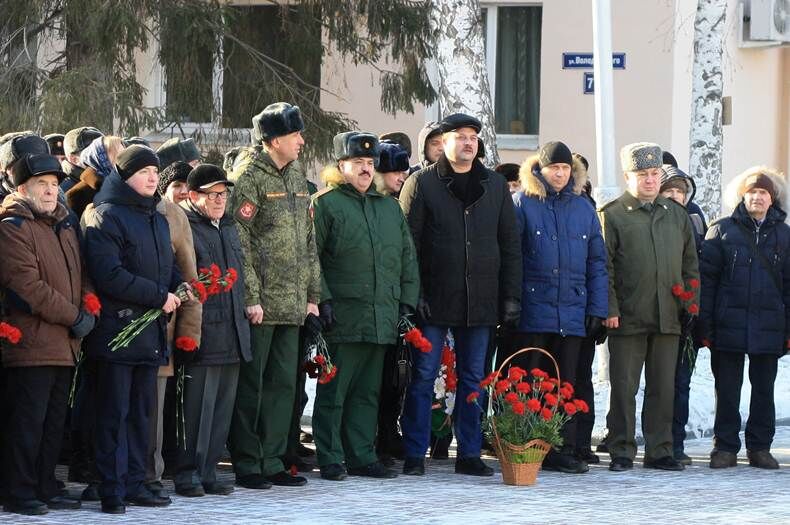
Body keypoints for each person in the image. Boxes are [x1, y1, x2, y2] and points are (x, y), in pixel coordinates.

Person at [399, 113, 522, 476]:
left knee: (473, 378)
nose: (468, 142)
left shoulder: (495, 185)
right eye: (460, 137)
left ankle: (468, 452)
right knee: (423, 376)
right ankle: (414, 450)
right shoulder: (421, 183)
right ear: (444, 142)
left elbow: (510, 245)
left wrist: (511, 296)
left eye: (473, 137)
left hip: (481, 299)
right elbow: (409, 246)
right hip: (434, 297)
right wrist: (414, 293)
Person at [84, 145, 185, 513]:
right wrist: (159, 296)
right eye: (145, 172)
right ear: (125, 177)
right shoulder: (105, 216)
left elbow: (166, 264)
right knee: (114, 413)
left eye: (156, 173)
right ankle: (110, 487)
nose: (153, 178)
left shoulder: (155, 216)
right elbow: (109, 275)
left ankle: (136, 482)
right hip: (117, 332)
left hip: (149, 333)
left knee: (142, 413)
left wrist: (178, 286)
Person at [312, 132, 419, 481]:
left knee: (368, 393)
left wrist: (405, 304)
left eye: (370, 164)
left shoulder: (388, 207)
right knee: (335, 391)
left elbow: (406, 259)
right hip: (342, 317)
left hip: (381, 317)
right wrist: (322, 299)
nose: (365, 170)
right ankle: (329, 456)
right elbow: (311, 259)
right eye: (357, 163)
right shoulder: (325, 204)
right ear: (341, 166)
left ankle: (361, 454)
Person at [498, 141, 608, 474]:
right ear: (539, 170)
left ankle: (561, 446)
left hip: (572, 311)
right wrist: (511, 300)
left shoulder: (583, 208)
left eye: (564, 169)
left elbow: (597, 262)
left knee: (566, 382)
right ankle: (526, 442)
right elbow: (511, 257)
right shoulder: (521, 204)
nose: (559, 174)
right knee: (531, 380)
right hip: (533, 311)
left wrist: (598, 309)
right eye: (553, 169)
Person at [227, 102, 321, 489]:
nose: (301, 141)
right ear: (275, 139)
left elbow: (308, 238)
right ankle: (248, 462)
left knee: (284, 386)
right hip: (261, 304)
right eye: (296, 135)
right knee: (254, 385)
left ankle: (273, 459)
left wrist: (313, 293)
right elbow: (239, 240)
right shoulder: (249, 176)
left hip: (293, 303)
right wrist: (251, 295)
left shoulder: (297, 173)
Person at [0, 154, 92, 515]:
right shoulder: (12, 227)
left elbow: (81, 272)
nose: (51, 190)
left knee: (53, 423)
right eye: (42, 184)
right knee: (27, 423)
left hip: (64, 344)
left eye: (54, 184)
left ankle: (43, 483)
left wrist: (88, 307)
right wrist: (74, 316)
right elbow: (27, 288)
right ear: (22, 187)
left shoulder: (64, 225)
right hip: (32, 344)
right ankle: (18, 490)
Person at [598, 142, 699, 472]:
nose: (651, 180)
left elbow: (690, 266)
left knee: (663, 388)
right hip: (627, 316)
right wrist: (609, 308)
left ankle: (660, 450)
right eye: (643, 174)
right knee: (624, 389)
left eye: (655, 174)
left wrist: (690, 304)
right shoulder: (612, 215)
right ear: (628, 176)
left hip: (668, 315)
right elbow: (605, 267)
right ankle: (622, 449)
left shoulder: (676, 215)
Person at [700, 167, 790, 470]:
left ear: (772, 198)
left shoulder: (785, 235)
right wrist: (706, 325)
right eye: (752, 192)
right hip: (729, 324)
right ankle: (724, 447)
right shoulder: (721, 230)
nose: (757, 197)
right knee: (727, 388)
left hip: (769, 326)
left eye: (763, 193)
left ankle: (760, 447)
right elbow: (707, 282)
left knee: (764, 390)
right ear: (742, 195)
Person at [175, 164, 251, 496]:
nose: (220, 200)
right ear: (193, 196)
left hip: (234, 330)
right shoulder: (185, 226)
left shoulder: (230, 227)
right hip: (204, 330)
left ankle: (208, 472)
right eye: (212, 194)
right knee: (197, 409)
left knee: (221, 407)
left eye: (223, 194)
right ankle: (188, 471)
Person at [658, 165, 707, 465]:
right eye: (670, 190)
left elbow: (700, 268)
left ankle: (675, 442)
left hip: (686, 315)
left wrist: (693, 307)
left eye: (680, 191)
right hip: (656, 314)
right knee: (659, 382)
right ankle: (657, 441)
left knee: (681, 382)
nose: (676, 196)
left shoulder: (695, 220)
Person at [66, 135, 125, 218]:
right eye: (116, 154)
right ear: (100, 157)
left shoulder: (127, 184)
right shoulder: (77, 195)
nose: (122, 159)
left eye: (124, 154)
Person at [61, 127, 103, 192]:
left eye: (103, 151)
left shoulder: (105, 179)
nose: (101, 157)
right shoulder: (63, 190)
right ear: (74, 159)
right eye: (93, 154)